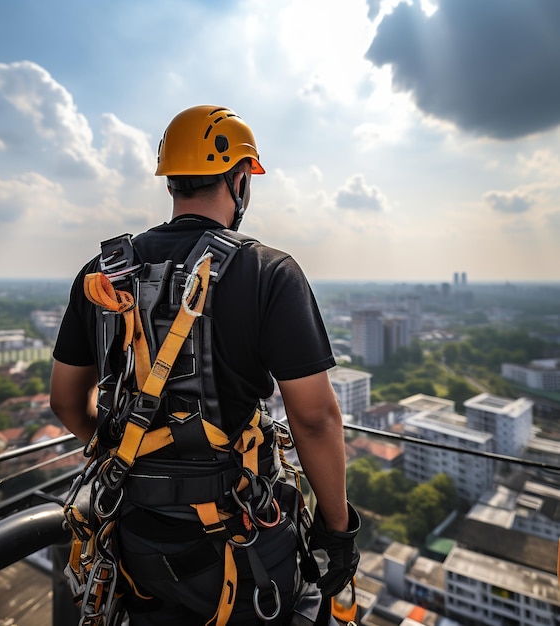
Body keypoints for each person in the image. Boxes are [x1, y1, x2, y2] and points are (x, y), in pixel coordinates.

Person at [50, 105, 359, 626]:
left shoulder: (103, 273)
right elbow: (314, 418)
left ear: (171, 181)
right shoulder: (268, 272)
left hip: (135, 537)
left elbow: (65, 400)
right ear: (239, 180)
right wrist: (337, 529)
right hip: (239, 548)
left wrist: (134, 460)